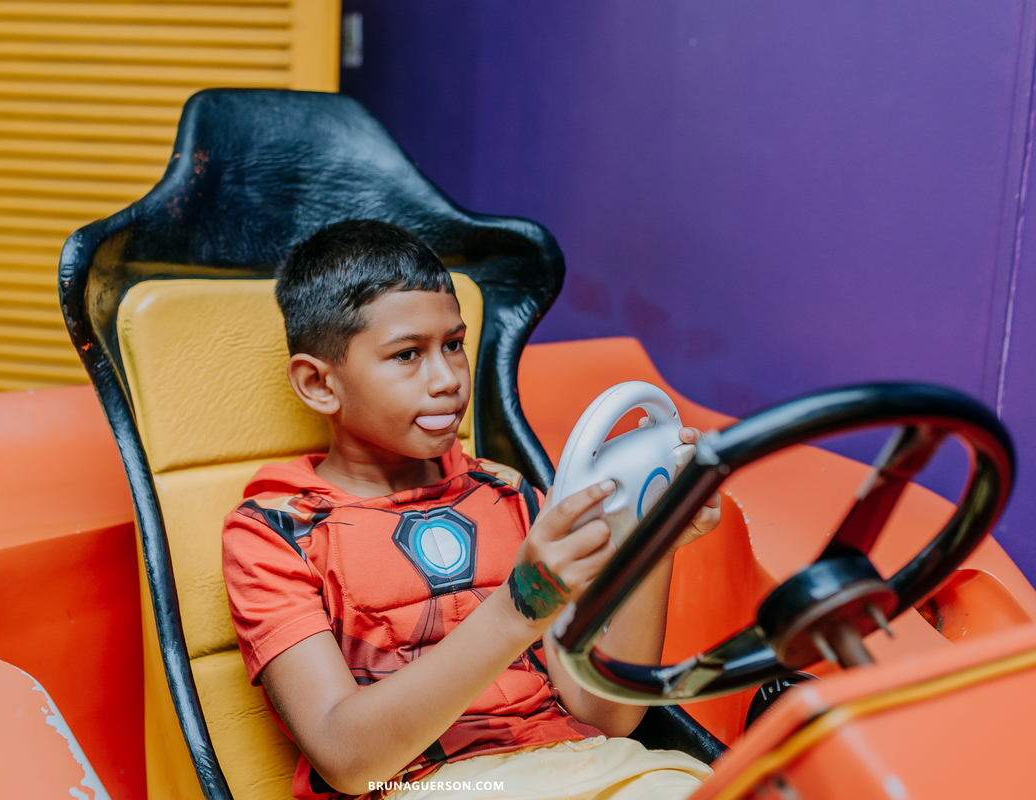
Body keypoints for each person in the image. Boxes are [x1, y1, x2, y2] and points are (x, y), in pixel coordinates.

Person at [222, 219, 721, 800]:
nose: (447, 380)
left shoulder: (508, 494)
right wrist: (518, 608)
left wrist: (651, 540)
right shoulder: (273, 535)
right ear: (319, 384)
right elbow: (347, 760)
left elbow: (605, 714)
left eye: (454, 345)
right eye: (407, 354)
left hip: (584, 767)